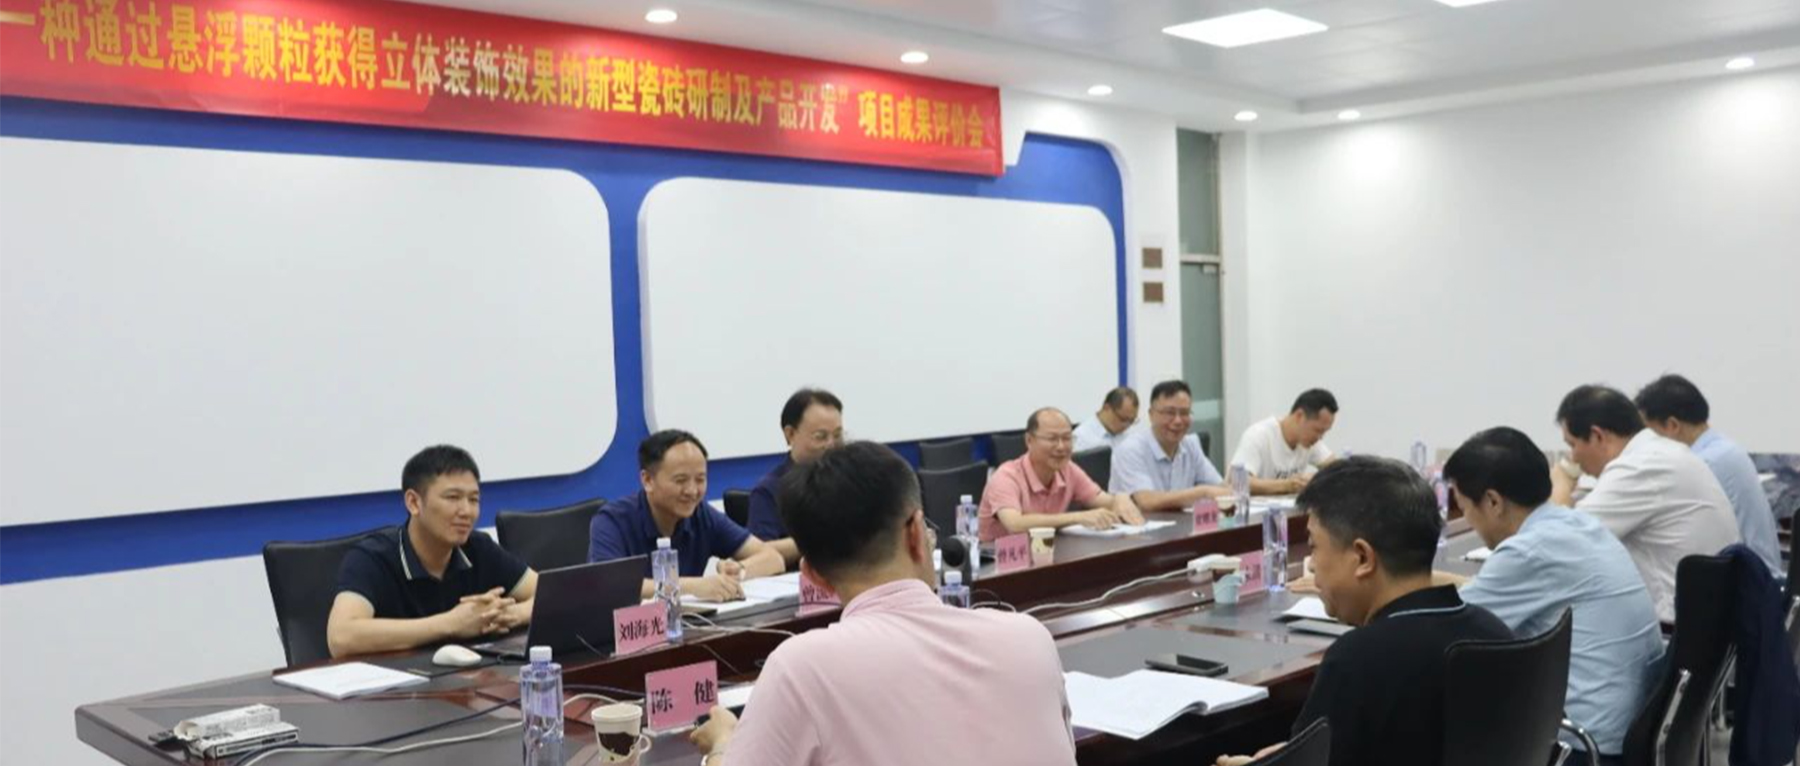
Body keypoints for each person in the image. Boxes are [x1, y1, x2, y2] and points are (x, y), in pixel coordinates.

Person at [688, 442, 1077, 766]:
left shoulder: (801, 669)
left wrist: (722, 745)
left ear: (813, 575)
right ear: (916, 533)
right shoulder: (1030, 637)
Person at [1217, 456, 1511, 766]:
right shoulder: (1493, 630)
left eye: (1314, 546)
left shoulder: (1357, 660)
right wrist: (1290, 753)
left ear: (1362, 558)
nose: (1312, 565)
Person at [1439, 427, 1663, 764]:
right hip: (1626, 728)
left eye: (1463, 506)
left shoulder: (1528, 551)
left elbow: (1448, 626)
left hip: (1584, 746)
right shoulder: (1575, 525)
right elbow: (1480, 595)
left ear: (1493, 502)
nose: (1467, 518)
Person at [327, 445, 537, 657]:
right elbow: (341, 637)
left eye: (473, 499)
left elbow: (547, 594)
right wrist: (451, 623)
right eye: (452, 497)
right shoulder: (373, 556)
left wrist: (509, 615)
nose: (466, 511)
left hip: (468, 674)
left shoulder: (478, 547)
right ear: (414, 502)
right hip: (397, 676)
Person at [1553, 385, 1739, 623]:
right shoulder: (1663, 452)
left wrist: (1560, 487)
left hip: (1674, 627)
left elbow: (1561, 542)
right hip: (1710, 621)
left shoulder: (1639, 467)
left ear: (1598, 435)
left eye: (1572, 445)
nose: (1573, 457)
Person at [588, 430, 784, 601]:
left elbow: (773, 558)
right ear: (647, 480)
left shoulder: (701, 514)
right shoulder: (611, 521)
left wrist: (739, 571)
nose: (692, 491)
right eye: (680, 480)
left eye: (700, 479)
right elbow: (611, 585)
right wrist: (694, 587)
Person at [1634, 374, 1782, 574]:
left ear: (1672, 426)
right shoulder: (1722, 449)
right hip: (1753, 576)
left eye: (1649, 433)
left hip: (1745, 583)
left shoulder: (1703, 463)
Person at [979, 407, 1143, 541]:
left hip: (1044, 553)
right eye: (1052, 439)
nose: (1061, 447)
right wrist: (1078, 517)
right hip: (998, 562)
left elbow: (1103, 501)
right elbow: (1015, 524)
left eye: (1067, 438)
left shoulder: (1068, 469)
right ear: (1029, 441)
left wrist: (1120, 498)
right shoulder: (1006, 476)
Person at [747, 388, 845, 566]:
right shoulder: (769, 490)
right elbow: (758, 552)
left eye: (838, 435)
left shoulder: (854, 480)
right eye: (820, 437)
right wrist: (820, 541)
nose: (831, 445)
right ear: (790, 434)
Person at [1109, 380, 1231, 512]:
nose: (1178, 421)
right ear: (1151, 415)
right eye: (1169, 413)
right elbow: (1146, 501)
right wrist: (1202, 493)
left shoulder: (1191, 444)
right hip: (1139, 524)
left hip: (1181, 524)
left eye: (1184, 413)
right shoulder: (1130, 449)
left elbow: (1222, 489)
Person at [1228, 389, 1338, 495]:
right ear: (1299, 416)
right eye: (1317, 430)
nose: (1320, 437)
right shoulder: (1258, 435)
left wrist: (1315, 479)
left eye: (1324, 432)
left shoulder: (1310, 441)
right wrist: (1287, 485)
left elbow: (1337, 470)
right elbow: (1237, 482)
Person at [1072, 386, 1140, 452]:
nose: (1126, 426)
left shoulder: (1131, 436)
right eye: (1123, 419)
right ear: (1107, 408)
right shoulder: (1081, 438)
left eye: (1131, 421)